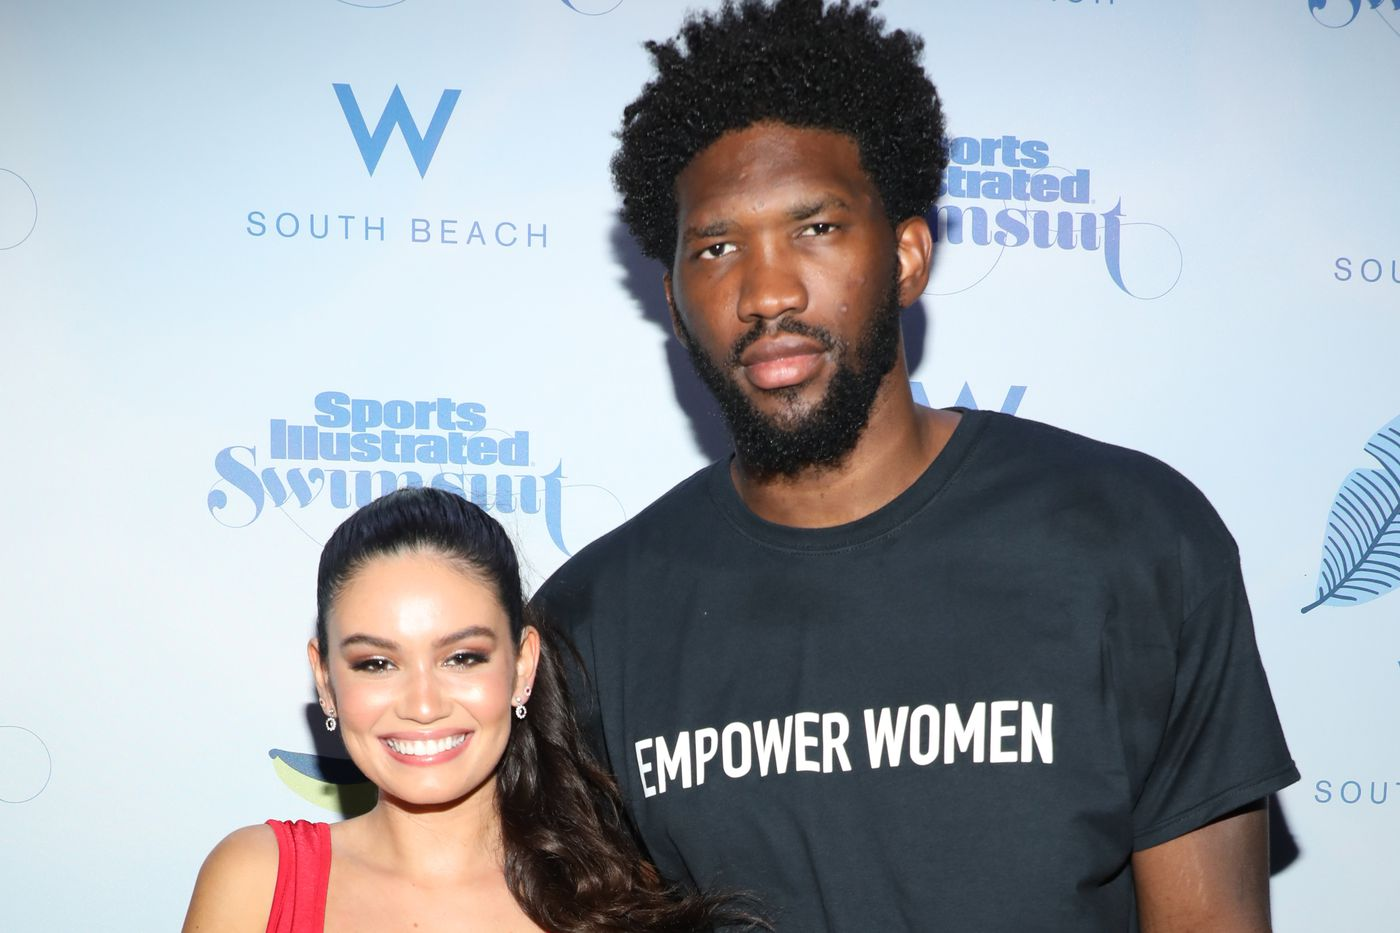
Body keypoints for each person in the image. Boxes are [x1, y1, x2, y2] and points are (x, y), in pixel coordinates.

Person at [532, 1, 1299, 931]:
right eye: (718, 246)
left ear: (907, 256)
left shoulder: (1135, 541)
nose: (766, 291)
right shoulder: (591, 626)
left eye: (814, 228)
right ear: (673, 295)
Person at [182, 486, 750, 933]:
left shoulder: (619, 908)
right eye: (377, 663)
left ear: (522, 667)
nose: (423, 705)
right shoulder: (259, 882)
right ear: (326, 681)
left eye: (461, 657)